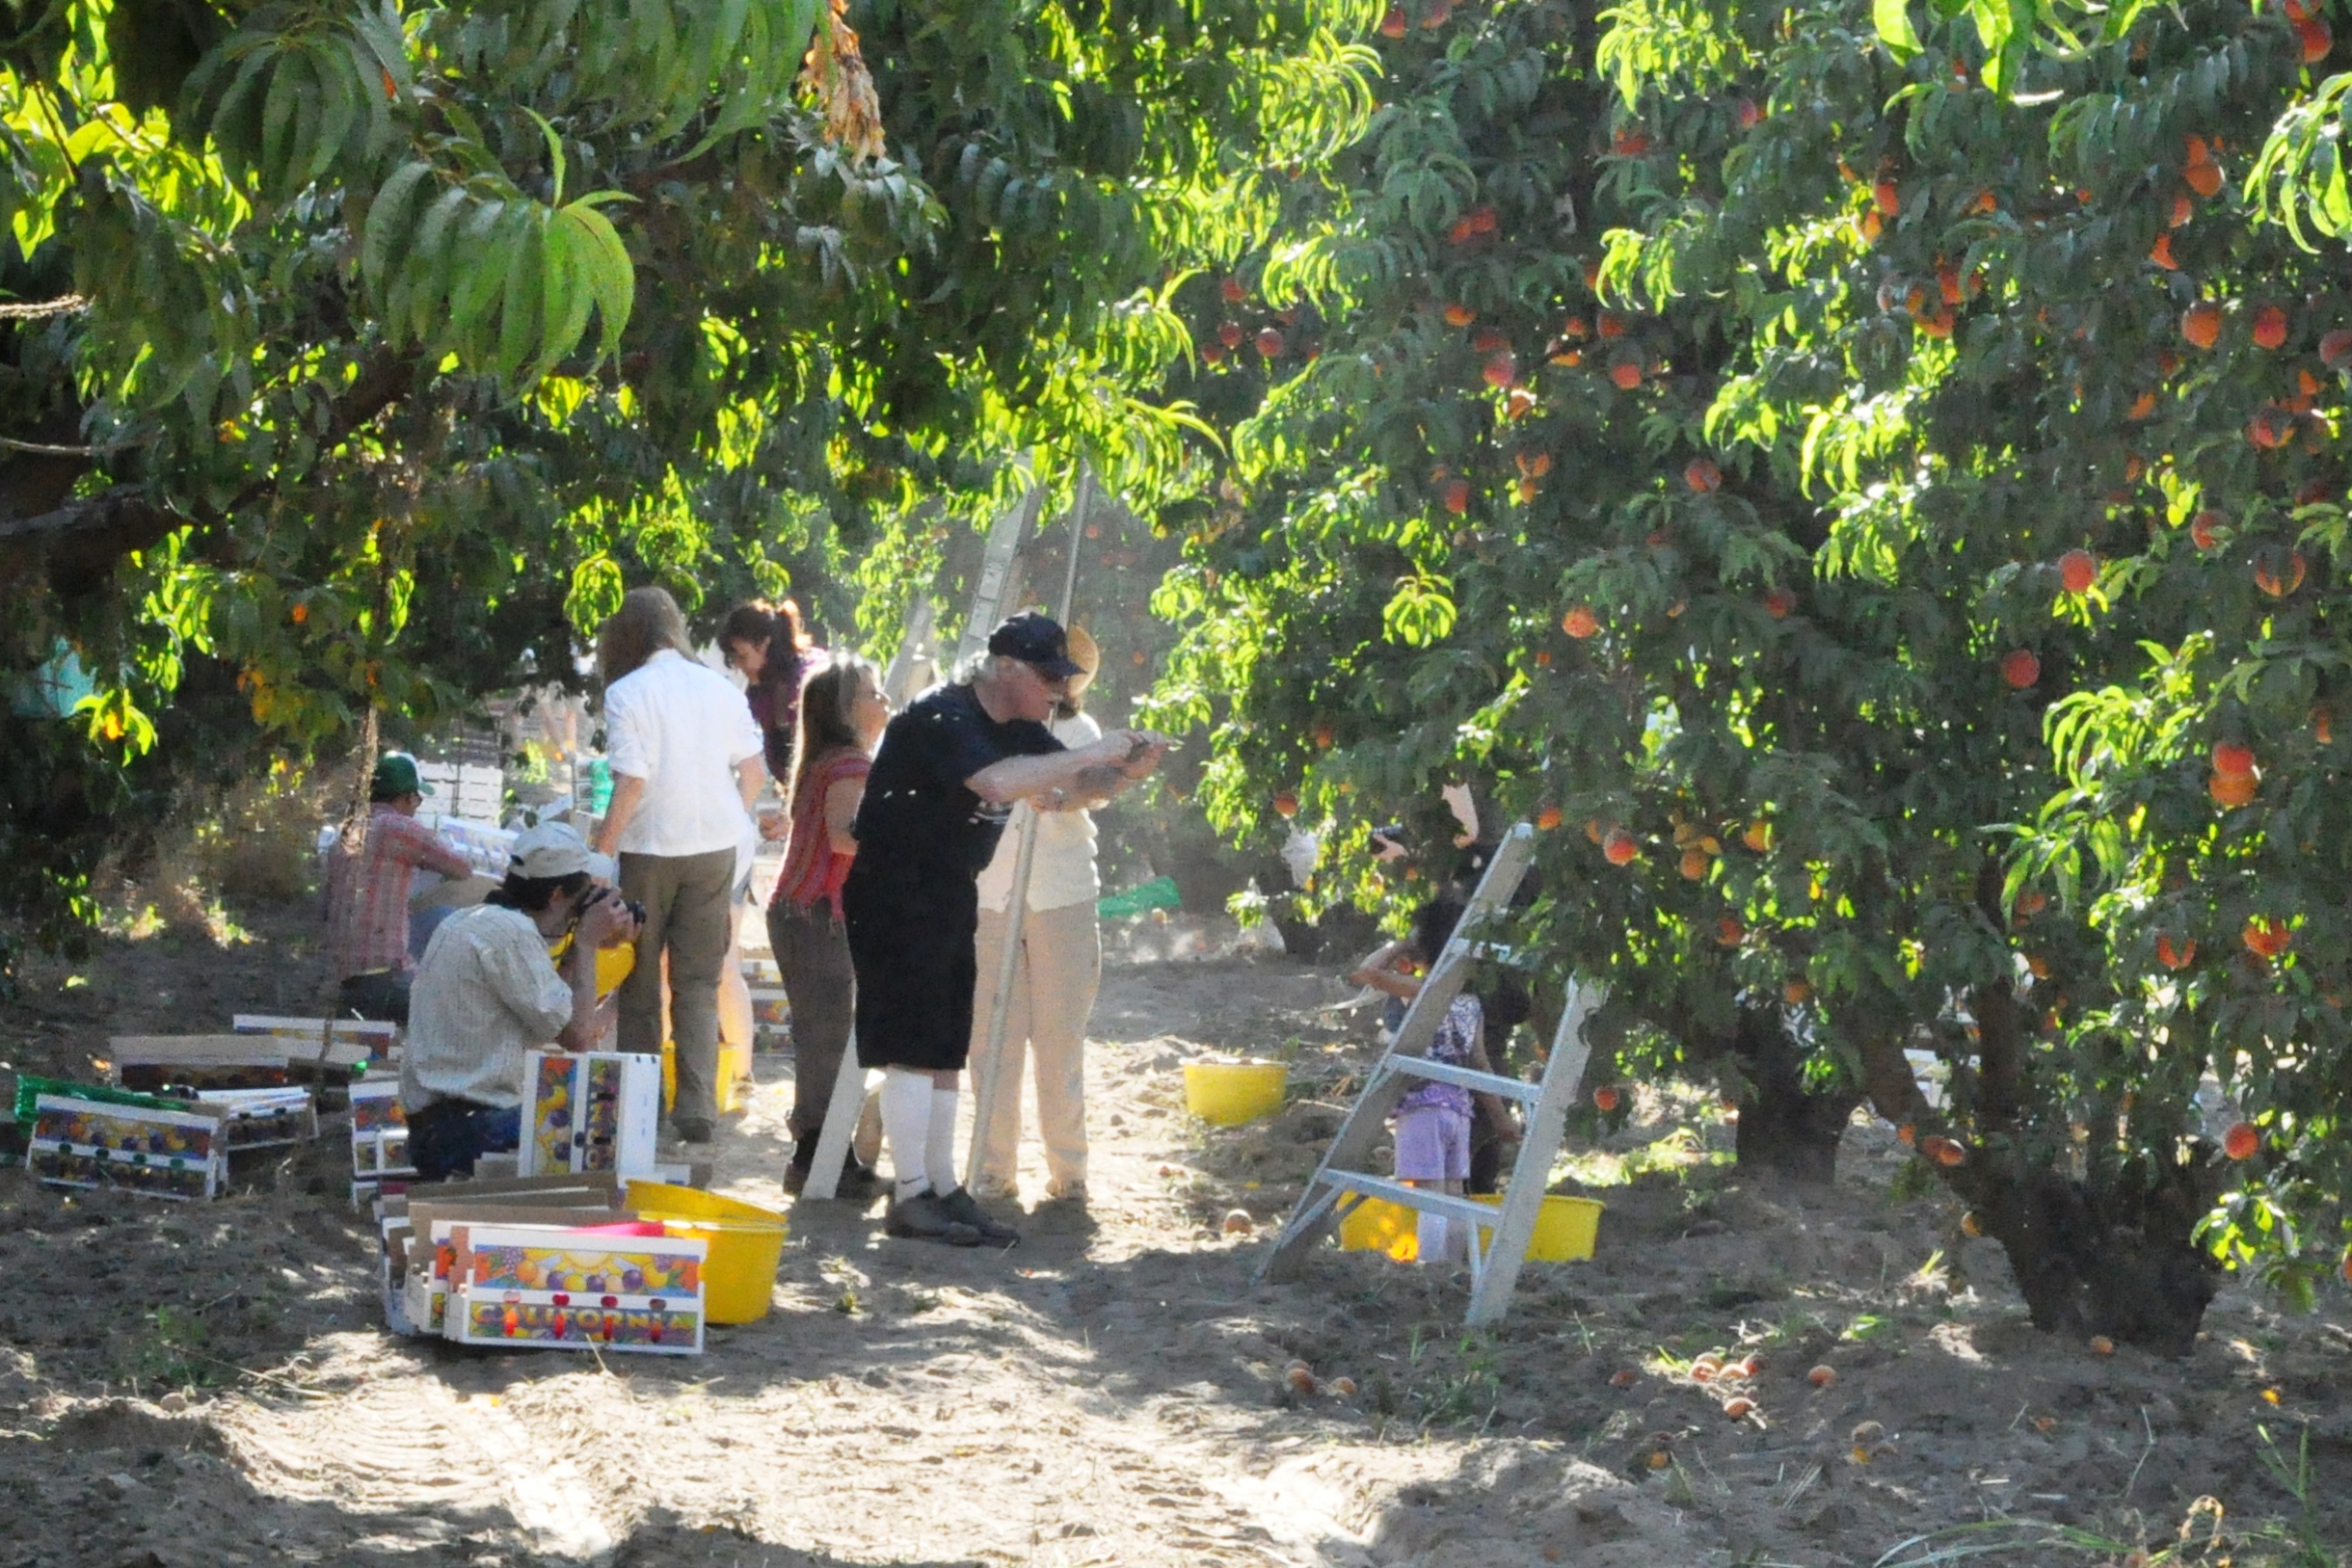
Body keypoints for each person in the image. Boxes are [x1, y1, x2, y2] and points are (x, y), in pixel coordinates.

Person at [844, 613, 1168, 1246]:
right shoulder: (944, 715)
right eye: (1049, 677)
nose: (1059, 691)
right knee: (912, 1045)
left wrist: (1130, 769)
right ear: (1006, 668)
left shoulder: (1017, 725)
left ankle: (942, 1188)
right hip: (895, 891)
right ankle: (910, 1194)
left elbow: (1077, 782)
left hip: (949, 887)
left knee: (945, 1046)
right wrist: (1095, 749)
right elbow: (995, 782)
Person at [592, 587, 766, 1145]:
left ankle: (642, 1108)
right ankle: (697, 1108)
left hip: (649, 848)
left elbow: (632, 781)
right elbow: (755, 773)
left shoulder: (626, 692)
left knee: (641, 981)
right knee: (698, 982)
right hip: (715, 850)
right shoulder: (720, 688)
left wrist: (601, 853)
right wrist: (729, 822)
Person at [401, 823, 638, 1181]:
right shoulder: (512, 935)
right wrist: (587, 943)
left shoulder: (473, 920)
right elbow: (577, 1038)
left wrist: (579, 946)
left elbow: (555, 1017)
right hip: (465, 1130)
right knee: (608, 1125)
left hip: (439, 1127)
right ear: (556, 895)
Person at [967, 626, 1106, 1205]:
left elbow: (1096, 784)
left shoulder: (1079, 731)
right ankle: (993, 1166)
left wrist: (1062, 795)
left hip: (1061, 894)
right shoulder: (980, 727)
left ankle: (1068, 1168)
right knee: (991, 1039)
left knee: (1059, 1039)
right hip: (989, 895)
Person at [763, 651, 890, 1194]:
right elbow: (844, 836)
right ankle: (819, 1159)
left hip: (801, 912)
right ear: (846, 709)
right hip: (815, 916)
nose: (884, 701)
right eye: (872, 693)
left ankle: (823, 1155)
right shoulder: (850, 765)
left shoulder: (827, 760)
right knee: (828, 1039)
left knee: (823, 1035)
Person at [1350, 891, 1519, 1262]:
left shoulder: (1422, 990)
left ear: (1425, 947)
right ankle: (1454, 1266)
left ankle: (1430, 1264)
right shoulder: (1471, 1004)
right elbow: (1480, 1064)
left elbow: (1365, 973)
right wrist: (1500, 1117)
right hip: (1460, 1109)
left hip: (1422, 1105)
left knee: (1428, 1193)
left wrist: (1401, 944)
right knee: (1453, 1193)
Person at [321, 753, 475, 1023]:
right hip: (386, 970)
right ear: (406, 797)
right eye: (416, 800)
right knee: (445, 919)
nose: (416, 808)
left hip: (341, 970)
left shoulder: (346, 833)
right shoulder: (398, 827)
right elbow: (462, 869)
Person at [720, 598, 819, 784]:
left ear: (765, 644)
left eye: (743, 656)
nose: (738, 665)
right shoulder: (762, 686)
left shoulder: (807, 678)